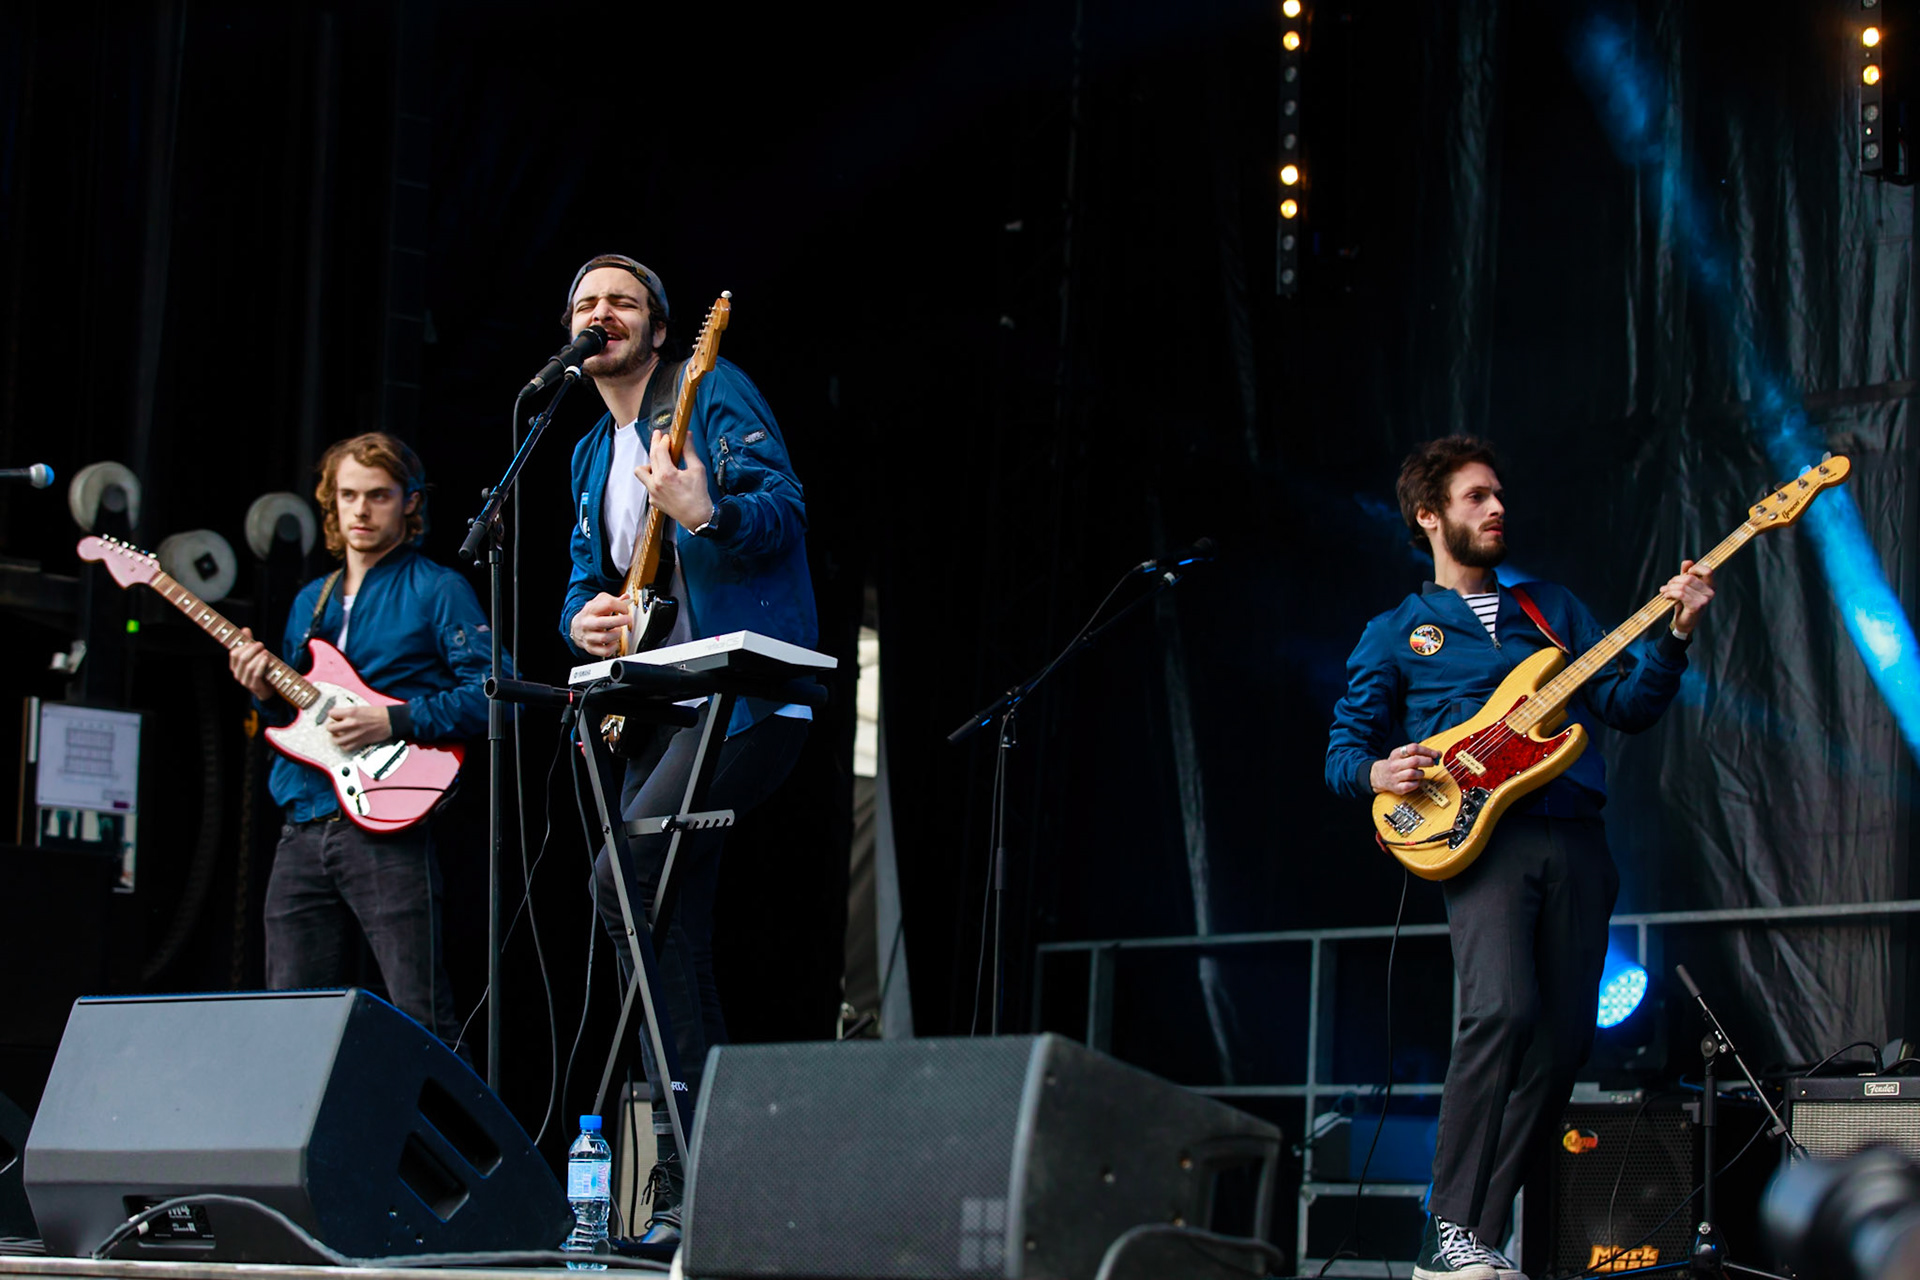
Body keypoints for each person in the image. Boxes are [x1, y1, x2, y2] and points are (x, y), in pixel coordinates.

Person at [1324, 436, 1714, 1280]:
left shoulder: (1553, 609)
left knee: (1564, 1043)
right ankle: (1448, 1230)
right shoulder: (1397, 632)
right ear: (1430, 517)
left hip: (1574, 832)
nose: (1497, 508)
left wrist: (1674, 635)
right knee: (1499, 1011)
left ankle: (1478, 1236)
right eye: (1475, 498)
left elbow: (1628, 704)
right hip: (1480, 839)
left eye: (1499, 494)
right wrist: (1374, 769)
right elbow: (1343, 749)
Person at [558, 253, 816, 1248]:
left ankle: (691, 1163)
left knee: (624, 883)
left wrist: (705, 507)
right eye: (584, 303)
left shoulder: (712, 391)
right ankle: (700, 1186)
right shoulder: (590, 449)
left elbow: (783, 510)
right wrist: (582, 618)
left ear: (660, 330)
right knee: (664, 922)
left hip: (741, 699)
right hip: (654, 710)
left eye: (620, 300)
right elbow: (587, 579)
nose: (599, 314)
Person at [228, 432, 491, 1052]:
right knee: (291, 1024)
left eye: (378, 495)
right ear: (331, 503)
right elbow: (303, 714)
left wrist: (391, 721)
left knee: (420, 1017)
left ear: (409, 503)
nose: (361, 510)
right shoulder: (308, 601)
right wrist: (263, 690)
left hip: (390, 826)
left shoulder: (437, 589)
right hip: (302, 822)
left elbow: (490, 694)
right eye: (348, 495)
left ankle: (450, 1148)